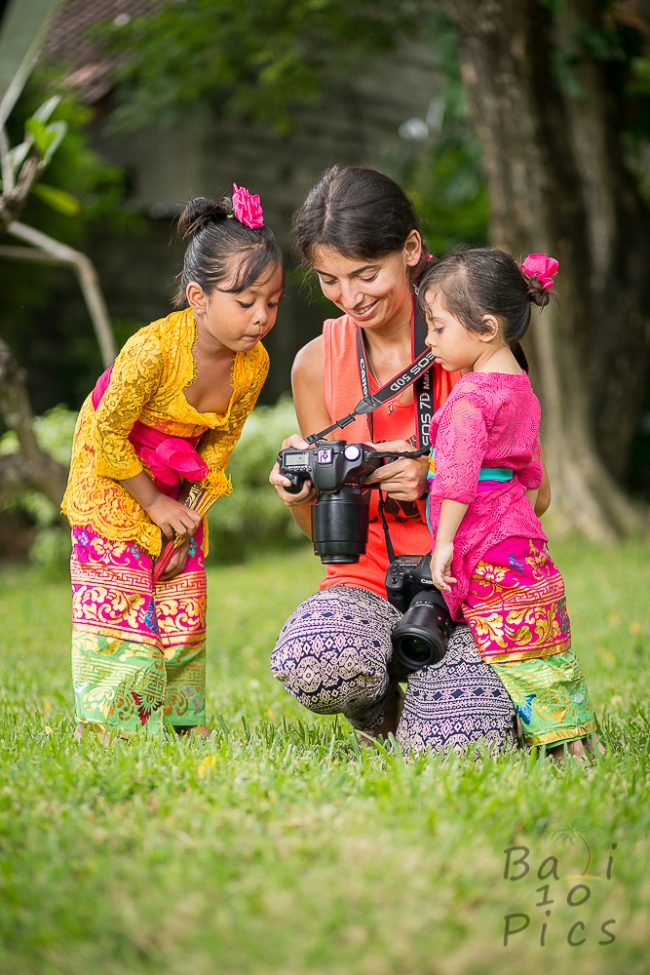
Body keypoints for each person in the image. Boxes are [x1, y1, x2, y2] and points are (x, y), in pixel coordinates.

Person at [269, 166, 542, 754]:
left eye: (366, 274)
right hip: (364, 579)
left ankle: (470, 689)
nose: (351, 298)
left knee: (458, 744)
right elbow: (323, 537)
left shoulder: (472, 344)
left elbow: (536, 496)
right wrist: (303, 496)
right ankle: (380, 707)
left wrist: (435, 476)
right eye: (330, 280)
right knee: (312, 658)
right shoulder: (315, 364)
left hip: (467, 590)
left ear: (411, 248)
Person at [62, 184, 283, 741]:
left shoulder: (253, 365)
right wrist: (152, 502)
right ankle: (116, 725)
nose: (260, 317)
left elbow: (222, 440)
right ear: (198, 297)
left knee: (182, 589)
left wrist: (188, 506)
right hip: (113, 470)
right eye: (246, 300)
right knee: (121, 594)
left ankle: (183, 720)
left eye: (272, 302)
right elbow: (110, 430)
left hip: (177, 482)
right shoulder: (153, 350)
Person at [420, 247, 599, 757]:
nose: (429, 341)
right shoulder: (521, 388)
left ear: (486, 328)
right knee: (540, 637)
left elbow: (455, 478)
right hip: (518, 532)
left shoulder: (471, 399)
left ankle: (553, 744)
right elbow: (537, 482)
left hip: (481, 537)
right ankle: (572, 732)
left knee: (508, 643)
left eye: (437, 328)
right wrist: (518, 513)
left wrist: (447, 541)